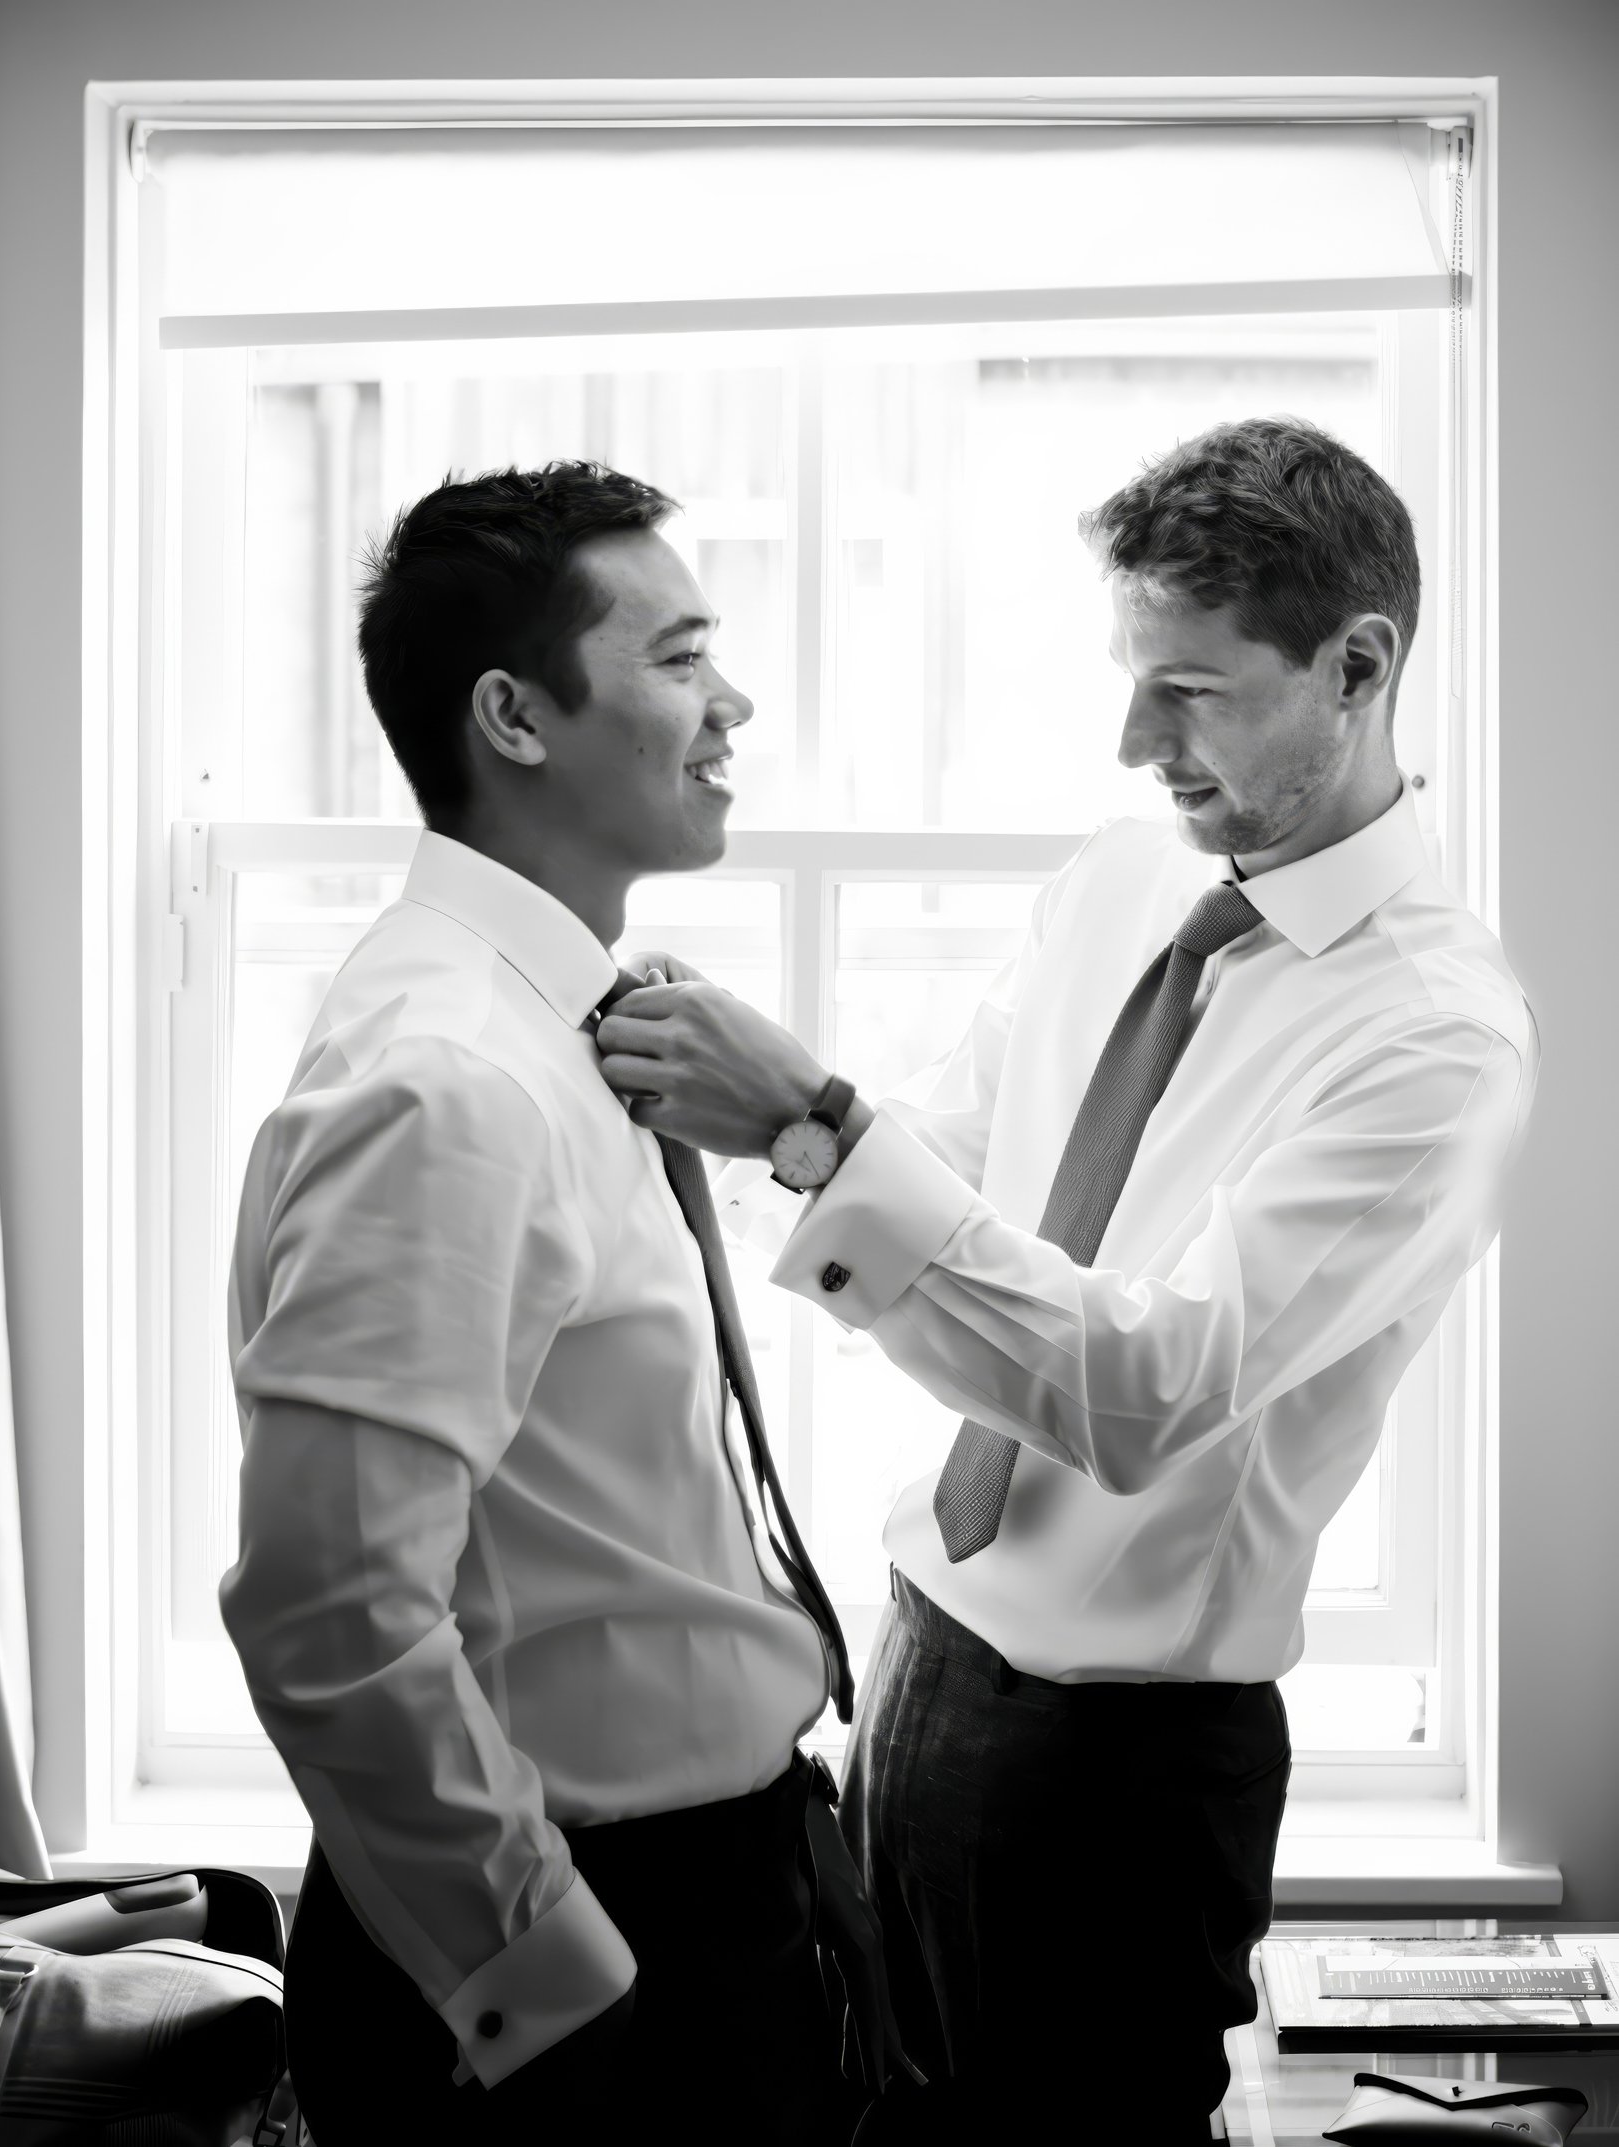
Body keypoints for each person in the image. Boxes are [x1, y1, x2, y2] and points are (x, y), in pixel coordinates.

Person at [593, 417, 1537, 2139]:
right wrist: (720, 1108)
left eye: (1190, 689)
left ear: (1360, 665)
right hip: (921, 1672)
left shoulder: (1437, 1041)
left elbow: (1140, 1391)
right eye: (1127, 678)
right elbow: (954, 1166)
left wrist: (809, 1127)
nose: (1130, 742)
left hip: (1119, 1782)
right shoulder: (1123, 883)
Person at [219, 463, 903, 2145]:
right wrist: (539, 1982)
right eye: (679, 657)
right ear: (516, 716)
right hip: (586, 1955)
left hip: (721, 1893)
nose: (730, 699)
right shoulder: (449, 1081)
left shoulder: (572, 1033)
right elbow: (330, 1610)